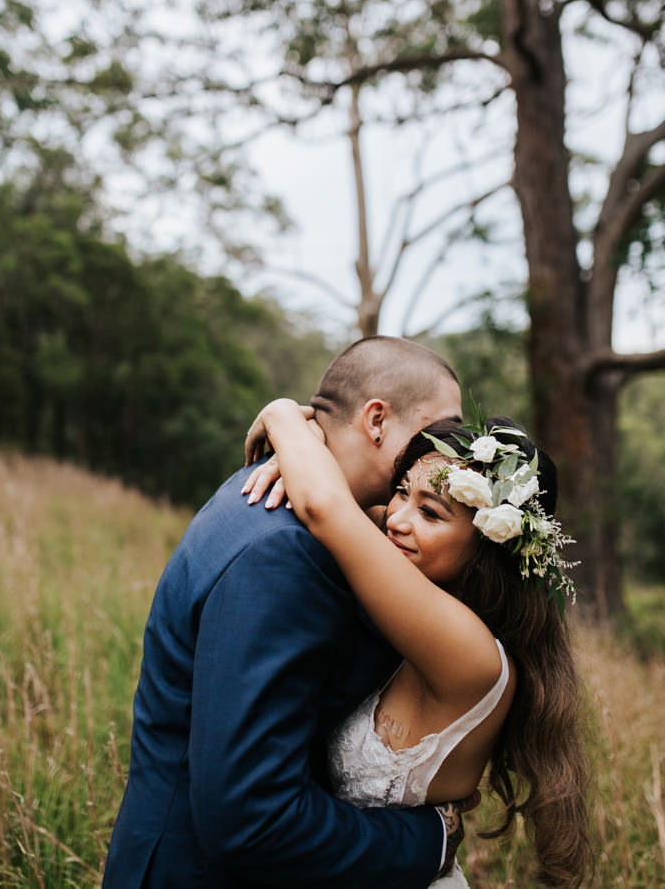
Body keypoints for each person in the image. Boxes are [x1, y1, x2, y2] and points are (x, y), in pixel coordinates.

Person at [102, 336, 466, 889]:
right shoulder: (286, 550)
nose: (453, 449)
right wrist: (426, 841)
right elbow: (252, 819)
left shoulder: (277, 489)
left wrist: (286, 418)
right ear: (376, 421)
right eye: (440, 429)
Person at [240, 400, 590, 887]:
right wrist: (307, 452)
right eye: (401, 492)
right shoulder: (421, 593)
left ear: (489, 546)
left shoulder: (469, 649)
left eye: (429, 512)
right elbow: (355, 501)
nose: (397, 519)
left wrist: (281, 416)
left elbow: (327, 507)